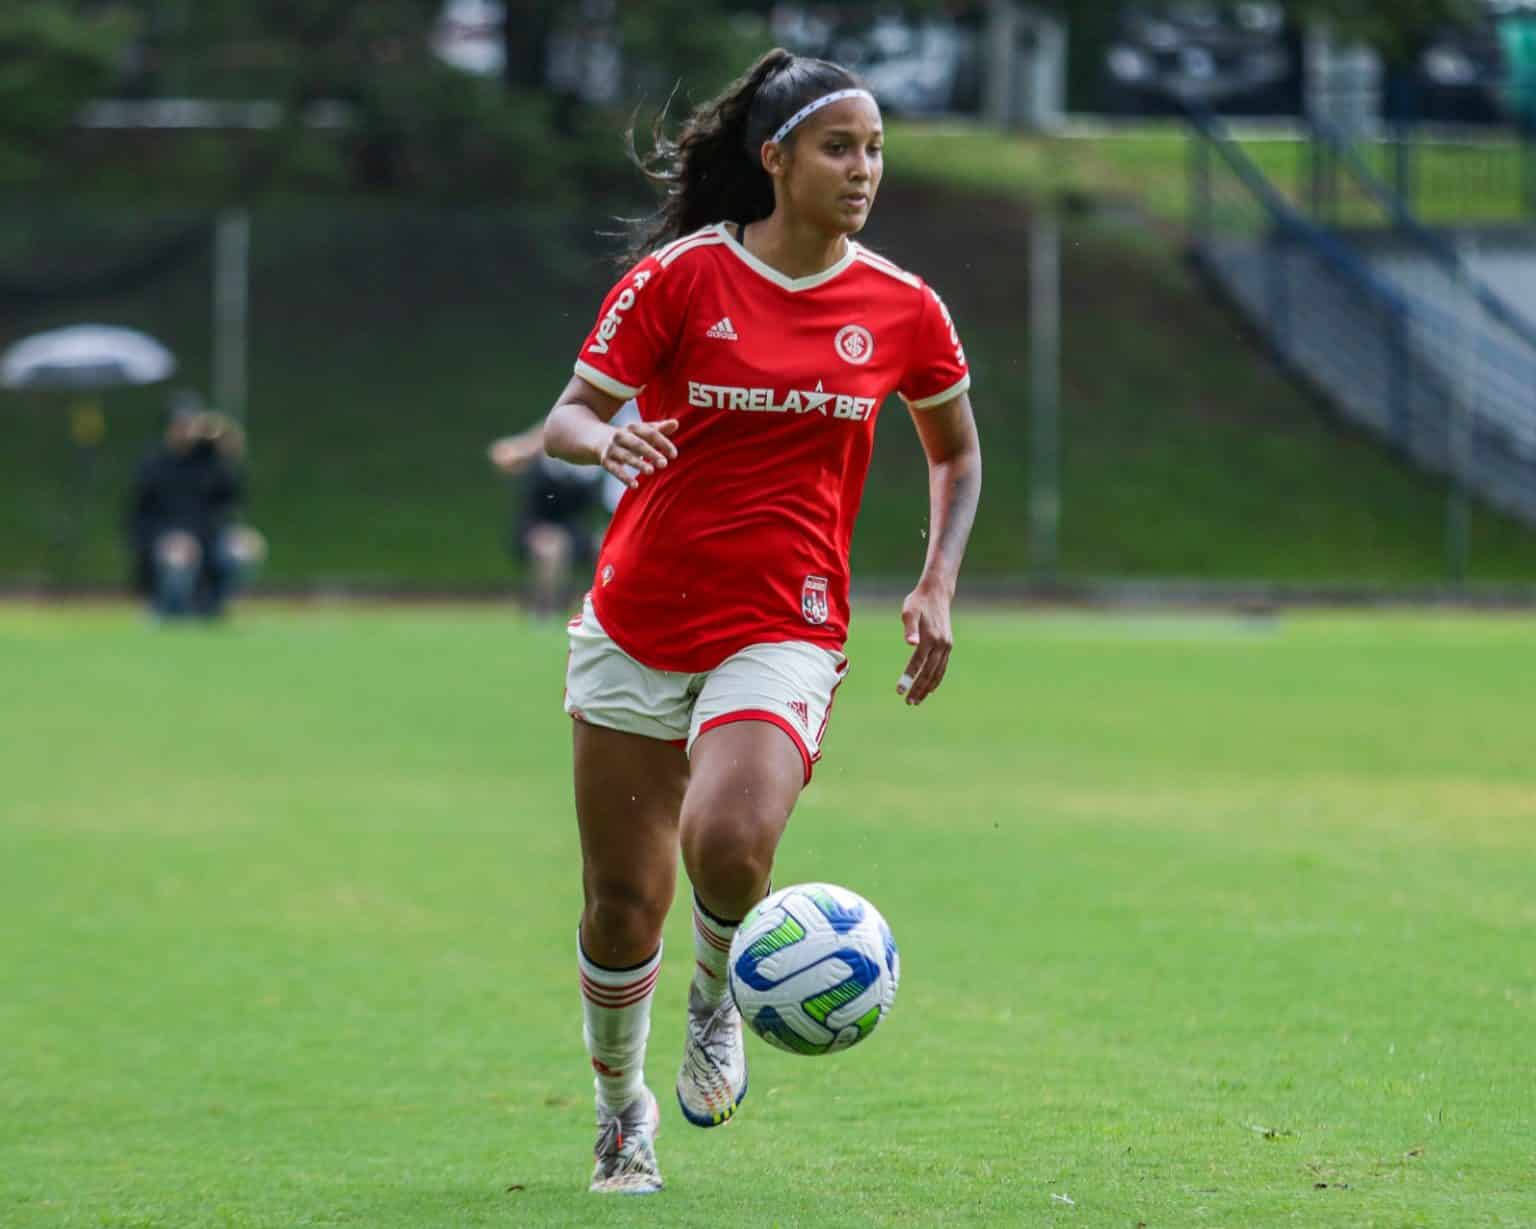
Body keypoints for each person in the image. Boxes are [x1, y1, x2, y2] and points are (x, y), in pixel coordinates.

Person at [538, 48, 982, 1194]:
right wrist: (609, 438)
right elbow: (569, 417)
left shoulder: (900, 306)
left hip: (783, 621)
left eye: (876, 148)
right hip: (638, 618)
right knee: (621, 902)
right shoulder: (683, 280)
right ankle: (619, 1105)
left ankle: (718, 993)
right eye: (841, 147)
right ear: (775, 158)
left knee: (731, 842)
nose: (864, 169)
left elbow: (957, 451)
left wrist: (936, 578)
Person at [487, 402, 638, 617]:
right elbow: (514, 450)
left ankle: (603, 609)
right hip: (537, 527)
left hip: (573, 529)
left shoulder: (597, 459)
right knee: (553, 547)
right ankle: (545, 610)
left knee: (609, 548)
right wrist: (521, 449)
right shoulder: (549, 451)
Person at [127, 392, 267, 620]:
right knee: (181, 551)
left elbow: (235, 493)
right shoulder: (154, 464)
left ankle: (216, 604)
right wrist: (164, 539)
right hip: (168, 541)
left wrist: (227, 441)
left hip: (209, 537)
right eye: (180, 424)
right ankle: (169, 609)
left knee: (246, 547)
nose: (186, 430)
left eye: (191, 424)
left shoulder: (210, 461)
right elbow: (138, 518)